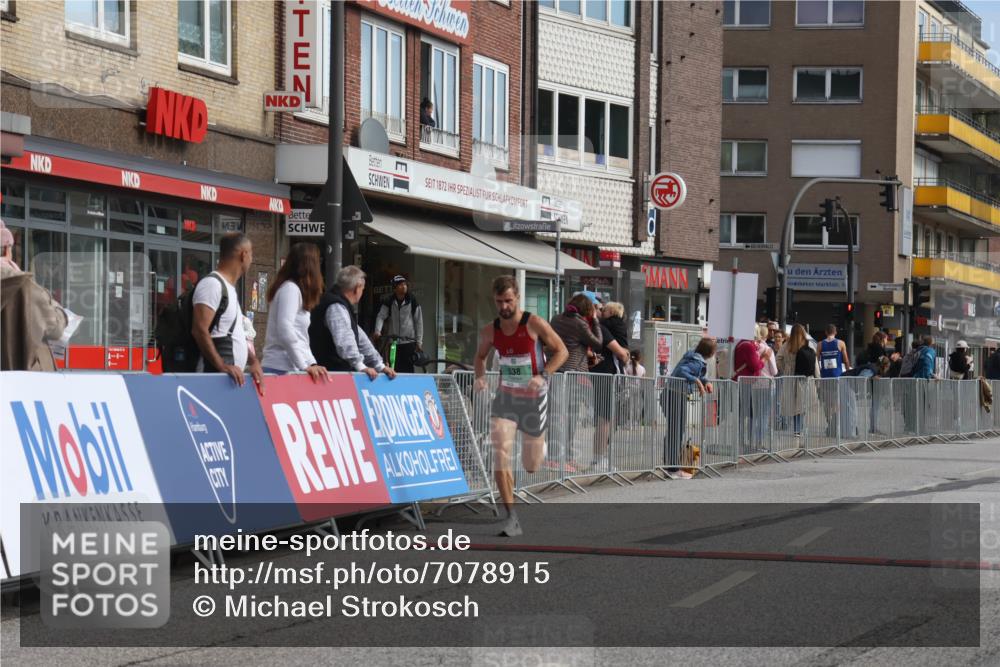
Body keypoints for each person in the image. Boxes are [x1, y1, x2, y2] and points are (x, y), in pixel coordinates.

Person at [473, 275, 568, 537]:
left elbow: (562, 351)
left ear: (517, 298)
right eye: (499, 302)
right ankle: (511, 516)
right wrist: (479, 377)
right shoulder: (490, 331)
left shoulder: (534, 324)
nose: (504, 306)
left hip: (534, 399)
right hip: (506, 398)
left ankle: (540, 445)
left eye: (508, 301)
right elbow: (480, 357)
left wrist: (543, 375)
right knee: (500, 451)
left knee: (531, 465)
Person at [192, 233, 264, 392]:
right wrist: (222, 366)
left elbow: (231, 332)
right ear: (243, 255)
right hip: (214, 381)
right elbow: (199, 330)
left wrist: (253, 361)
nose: (252, 259)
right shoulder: (212, 285)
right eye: (251, 253)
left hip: (228, 381)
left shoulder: (229, 288)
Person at [0, 220, 68, 371]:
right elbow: (55, 328)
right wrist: (61, 313)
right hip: (20, 381)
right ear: (6, 250)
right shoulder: (25, 287)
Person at [309, 265, 396, 381]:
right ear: (357, 288)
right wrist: (360, 365)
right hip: (329, 376)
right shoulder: (336, 306)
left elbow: (360, 338)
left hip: (330, 374)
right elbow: (345, 340)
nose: (362, 293)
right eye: (363, 289)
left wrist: (379, 365)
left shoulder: (340, 305)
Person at [548, 293, 605, 471]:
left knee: (557, 416)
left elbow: (567, 344)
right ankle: (562, 458)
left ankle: (558, 457)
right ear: (587, 309)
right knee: (570, 417)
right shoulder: (579, 323)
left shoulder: (556, 319)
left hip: (556, 370)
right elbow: (598, 343)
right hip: (572, 374)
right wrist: (595, 321)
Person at [260, 243, 328, 382]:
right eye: (318, 261)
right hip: (280, 368)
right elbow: (285, 328)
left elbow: (300, 337)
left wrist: (311, 362)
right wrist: (304, 364)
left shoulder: (293, 290)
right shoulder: (290, 289)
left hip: (289, 367)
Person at [663, 337, 717, 478]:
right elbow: (683, 371)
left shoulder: (693, 356)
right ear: (711, 353)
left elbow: (692, 372)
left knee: (675, 431)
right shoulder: (697, 361)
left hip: (673, 394)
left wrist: (705, 381)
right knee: (676, 432)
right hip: (675, 395)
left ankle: (670, 466)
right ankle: (672, 469)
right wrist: (698, 381)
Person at [590, 300, 631, 471]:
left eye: (603, 309)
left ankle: (599, 458)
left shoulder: (602, 327)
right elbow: (622, 354)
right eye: (599, 308)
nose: (601, 311)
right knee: (605, 418)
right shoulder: (604, 328)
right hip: (609, 374)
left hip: (604, 374)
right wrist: (625, 355)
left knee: (605, 418)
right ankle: (598, 459)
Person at [373, 275, 424, 373]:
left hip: (409, 342)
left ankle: (407, 388)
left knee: (408, 369)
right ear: (395, 288)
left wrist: (419, 342)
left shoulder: (412, 300)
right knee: (393, 367)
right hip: (394, 342)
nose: (404, 286)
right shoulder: (389, 301)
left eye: (405, 284)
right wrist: (377, 331)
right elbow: (381, 316)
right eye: (400, 285)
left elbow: (419, 322)